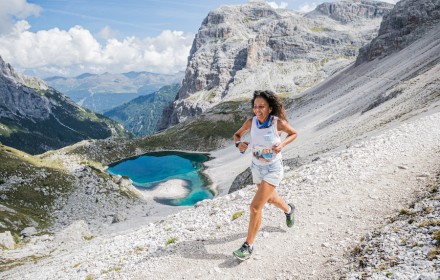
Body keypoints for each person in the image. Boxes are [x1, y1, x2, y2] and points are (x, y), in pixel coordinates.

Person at [232, 90, 298, 261]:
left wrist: (282, 144)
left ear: (270, 108)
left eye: (262, 107)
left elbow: (294, 133)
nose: (258, 110)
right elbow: (237, 135)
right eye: (255, 107)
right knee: (269, 199)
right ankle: (289, 209)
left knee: (255, 207)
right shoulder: (251, 122)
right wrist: (240, 144)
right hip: (257, 168)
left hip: (273, 169)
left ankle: (248, 246)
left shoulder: (278, 123)